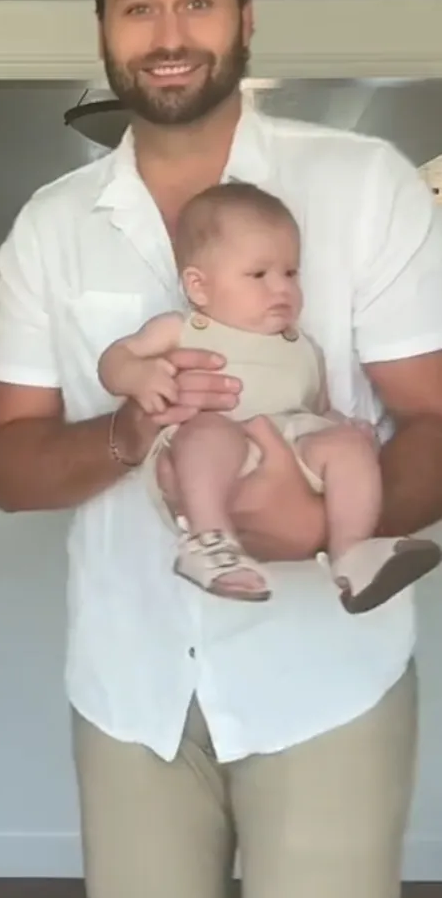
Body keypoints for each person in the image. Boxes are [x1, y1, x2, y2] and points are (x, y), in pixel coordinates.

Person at [0, 0, 442, 898]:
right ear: (101, 28)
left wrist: (319, 524)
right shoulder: (50, 229)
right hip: (127, 684)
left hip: (324, 679)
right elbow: (9, 465)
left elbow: (432, 420)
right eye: (136, 7)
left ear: (244, 14)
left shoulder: (361, 187)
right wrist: (123, 431)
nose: (167, 32)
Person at [97, 181, 441, 606]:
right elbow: (115, 360)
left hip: (288, 443)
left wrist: (343, 428)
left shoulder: (303, 346)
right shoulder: (182, 328)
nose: (281, 288)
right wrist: (137, 375)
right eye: (259, 274)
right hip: (209, 446)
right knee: (208, 432)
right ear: (199, 287)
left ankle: (352, 551)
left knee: (349, 447)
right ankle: (211, 543)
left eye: (291, 273)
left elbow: (316, 409)